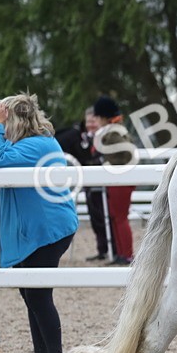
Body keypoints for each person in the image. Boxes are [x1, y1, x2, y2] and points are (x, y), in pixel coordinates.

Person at [0, 94, 79, 353]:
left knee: (38, 295)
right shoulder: (33, 144)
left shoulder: (36, 145)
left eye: (5, 120)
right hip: (37, 230)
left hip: (46, 231)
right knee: (31, 295)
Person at [55, 109, 109, 262]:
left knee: (103, 214)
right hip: (89, 181)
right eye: (89, 121)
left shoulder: (104, 136)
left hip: (103, 181)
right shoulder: (81, 137)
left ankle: (108, 248)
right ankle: (102, 249)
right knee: (95, 215)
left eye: (94, 121)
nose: (91, 125)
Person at [91, 96, 134, 265]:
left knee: (120, 217)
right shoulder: (113, 129)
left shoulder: (114, 131)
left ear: (103, 116)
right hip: (118, 177)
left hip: (121, 177)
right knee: (116, 216)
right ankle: (121, 253)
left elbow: (126, 152)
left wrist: (106, 160)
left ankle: (127, 254)